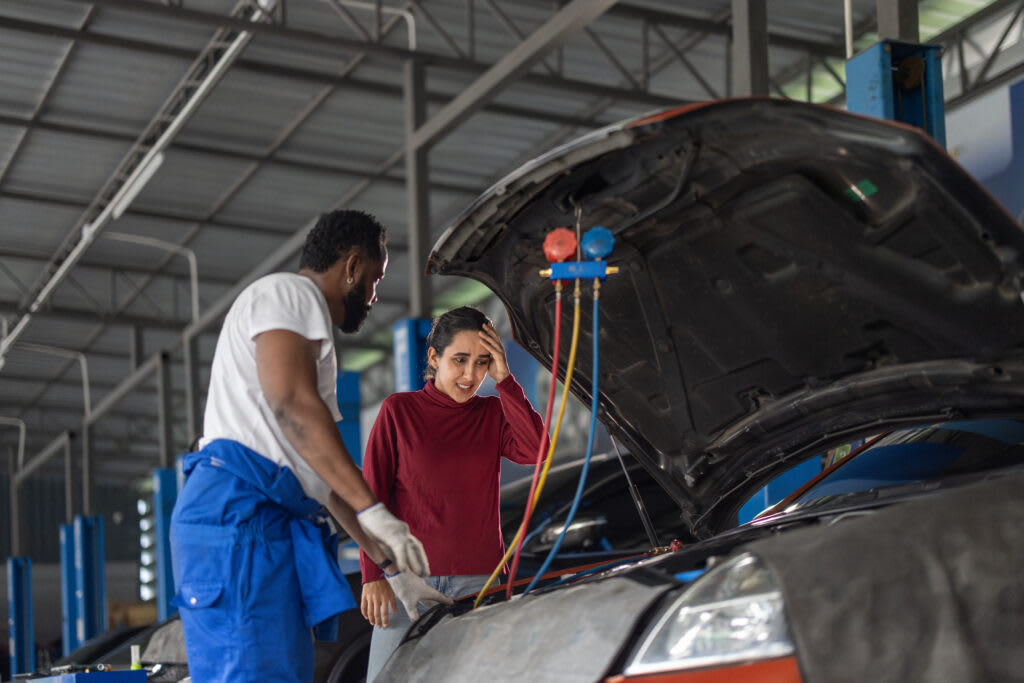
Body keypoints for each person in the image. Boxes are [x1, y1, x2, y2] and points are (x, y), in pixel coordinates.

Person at [169, 209, 448, 683]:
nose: (375, 295)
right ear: (352, 266)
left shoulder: (309, 343)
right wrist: (375, 508)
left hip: (262, 524)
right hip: (240, 519)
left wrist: (389, 566)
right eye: (375, 280)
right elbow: (291, 406)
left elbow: (322, 479)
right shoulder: (290, 294)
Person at [359, 306, 550, 681]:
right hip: (405, 579)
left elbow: (536, 450)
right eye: (460, 360)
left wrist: (506, 380)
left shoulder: (493, 413)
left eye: (482, 363)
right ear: (434, 357)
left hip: (478, 581)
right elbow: (371, 498)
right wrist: (373, 575)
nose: (470, 375)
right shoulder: (399, 411)